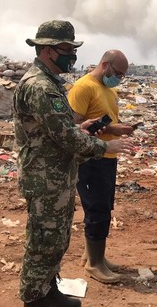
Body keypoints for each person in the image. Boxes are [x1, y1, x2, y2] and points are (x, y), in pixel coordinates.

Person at [14, 20, 134, 307]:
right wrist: (105, 145)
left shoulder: (51, 84)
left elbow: (61, 130)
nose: (73, 55)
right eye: (67, 49)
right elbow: (65, 138)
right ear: (47, 50)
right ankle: (34, 297)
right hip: (45, 178)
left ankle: (48, 289)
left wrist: (84, 128)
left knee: (55, 238)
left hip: (56, 175)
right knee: (43, 241)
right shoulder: (41, 87)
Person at [67, 50, 136, 284]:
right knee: (97, 209)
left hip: (107, 157)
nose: (119, 79)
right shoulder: (83, 87)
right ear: (105, 65)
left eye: (123, 76)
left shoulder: (109, 89)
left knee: (103, 207)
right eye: (117, 73)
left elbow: (101, 122)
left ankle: (94, 257)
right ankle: (95, 265)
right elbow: (73, 126)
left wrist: (117, 128)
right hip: (90, 159)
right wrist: (109, 134)